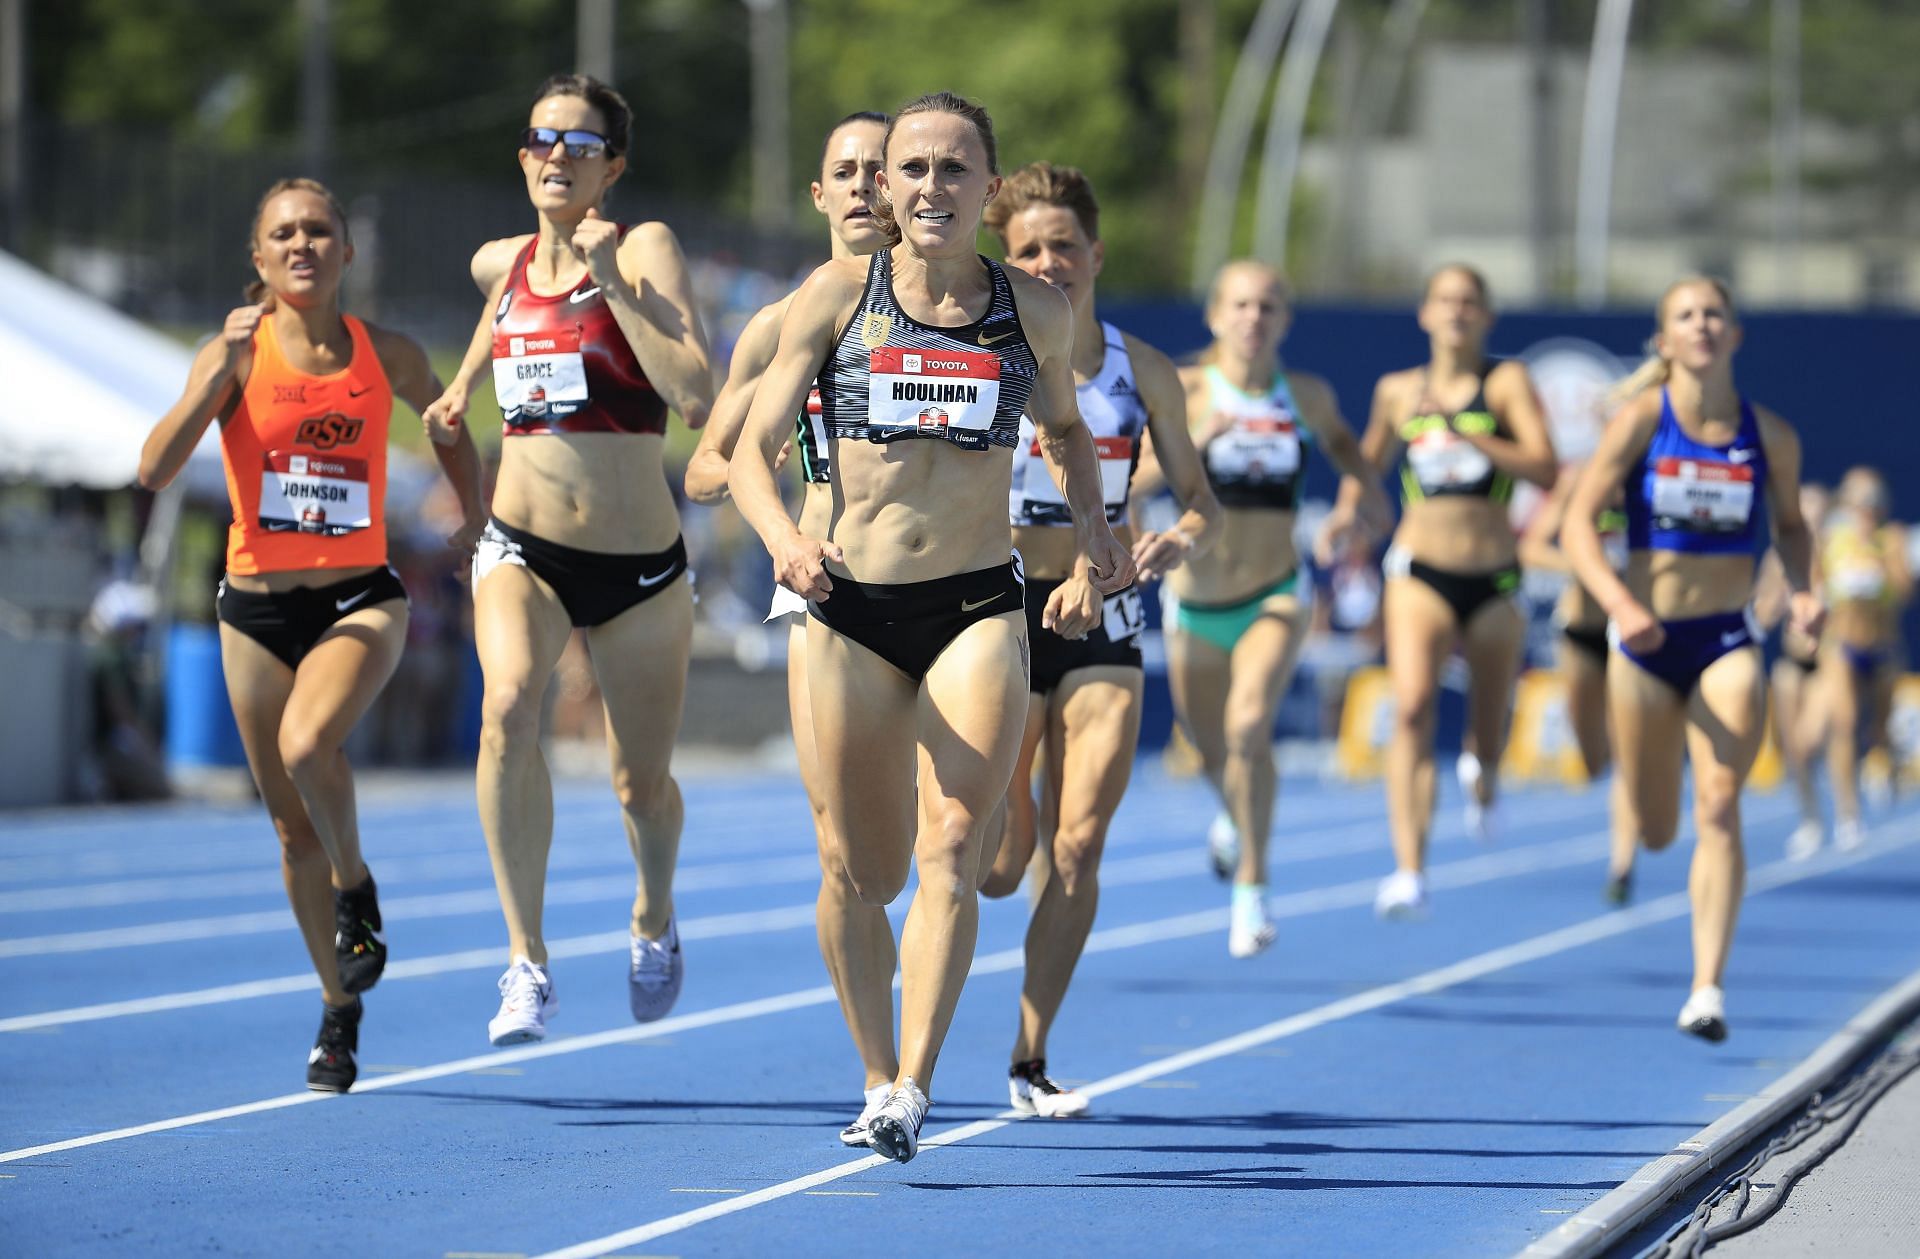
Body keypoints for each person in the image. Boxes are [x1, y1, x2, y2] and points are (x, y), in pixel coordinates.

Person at [729, 92, 1134, 1162]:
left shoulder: (1032, 312)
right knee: (863, 868)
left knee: (953, 841)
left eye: (954, 170)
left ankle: (912, 1087)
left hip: (974, 607)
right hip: (851, 610)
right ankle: (872, 1065)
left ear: (985, 190)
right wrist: (782, 538)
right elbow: (747, 450)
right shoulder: (833, 296)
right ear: (884, 185)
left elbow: (1067, 435)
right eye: (911, 169)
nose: (929, 189)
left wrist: (1095, 545)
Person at [139, 177, 486, 1091]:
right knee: (291, 834)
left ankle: (357, 885)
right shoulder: (236, 356)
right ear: (259, 258)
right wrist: (214, 377)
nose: (303, 244)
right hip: (254, 605)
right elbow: (154, 467)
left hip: (359, 598)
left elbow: (449, 422)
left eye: (319, 230)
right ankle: (339, 1009)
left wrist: (473, 513)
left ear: (346, 252)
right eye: (283, 233)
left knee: (307, 741)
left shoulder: (388, 353)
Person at [422, 75, 715, 1046]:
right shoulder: (498, 263)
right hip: (524, 544)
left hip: (637, 566)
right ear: (522, 155)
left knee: (639, 782)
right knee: (507, 704)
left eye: (580, 145)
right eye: (542, 139)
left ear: (613, 167)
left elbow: (698, 394)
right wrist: (460, 389)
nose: (557, 155)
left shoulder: (643, 247)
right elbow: (499, 316)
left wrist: (617, 284)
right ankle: (527, 959)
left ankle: (653, 909)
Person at [976, 161, 1220, 1114]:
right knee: (1002, 867)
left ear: (1095, 253)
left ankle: (1030, 1060)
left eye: (1063, 246)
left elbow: (1202, 502)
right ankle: (1010, 813)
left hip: (1109, 614)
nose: (1048, 262)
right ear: (1009, 259)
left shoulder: (1142, 368)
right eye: (1029, 249)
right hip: (999, 612)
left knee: (1079, 847)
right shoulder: (983, 353)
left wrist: (1172, 541)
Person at [683, 110, 903, 1146]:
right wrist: (779, 491)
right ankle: (878, 1072)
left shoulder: (955, 306)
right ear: (818, 196)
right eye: (843, 173)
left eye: (879, 170)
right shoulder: (777, 322)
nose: (863, 187)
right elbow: (710, 461)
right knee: (841, 850)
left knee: (956, 852)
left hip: (946, 589)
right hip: (820, 583)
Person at [1562, 275, 1822, 1042]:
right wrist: (1620, 604)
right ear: (1664, 341)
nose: (1702, 324)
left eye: (1714, 313)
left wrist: (1803, 591)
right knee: (1654, 828)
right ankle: (1649, 826)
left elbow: (1793, 526)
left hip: (1724, 638)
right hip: (1643, 646)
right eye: (1686, 315)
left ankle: (1706, 986)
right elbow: (1579, 524)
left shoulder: (1769, 435)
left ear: (1734, 335)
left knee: (1719, 801)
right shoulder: (1643, 419)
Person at [1142, 259, 1385, 955]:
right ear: (1216, 316)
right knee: (1216, 748)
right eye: (1241, 305)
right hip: (1195, 602)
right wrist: (1195, 443)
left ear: (1285, 320)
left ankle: (1252, 888)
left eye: (1269, 306)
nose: (1254, 318)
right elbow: (1131, 480)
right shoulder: (1186, 388)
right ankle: (1232, 814)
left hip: (1276, 593)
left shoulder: (1303, 393)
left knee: (1251, 726)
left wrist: (1359, 501)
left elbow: (1349, 449)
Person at [1339, 264, 1557, 918]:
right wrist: (1348, 511)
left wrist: (1467, 431)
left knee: (1488, 729)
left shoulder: (1506, 381)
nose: (1457, 311)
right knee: (1411, 708)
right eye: (1445, 300)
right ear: (1425, 314)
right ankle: (1410, 869)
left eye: (1470, 301)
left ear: (1486, 316)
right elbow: (1366, 461)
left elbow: (1545, 466)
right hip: (1420, 569)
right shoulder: (1398, 391)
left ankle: (1484, 773)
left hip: (1493, 575)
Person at [1518, 470, 1636, 903]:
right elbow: (1530, 547)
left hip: (1630, 631)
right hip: (1581, 630)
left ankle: (1622, 865)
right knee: (1591, 759)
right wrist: (1585, 563)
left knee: (1627, 754)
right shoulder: (1578, 483)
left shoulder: (1650, 481)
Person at [1803, 468, 1911, 850]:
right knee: (1844, 724)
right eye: (1858, 504)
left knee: (1877, 730)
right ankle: (1849, 814)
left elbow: (1903, 591)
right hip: (1841, 644)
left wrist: (1878, 559)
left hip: (1881, 646)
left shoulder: (1892, 539)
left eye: (1872, 505)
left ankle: (1885, 760)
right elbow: (1813, 584)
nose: (1865, 512)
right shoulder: (1831, 538)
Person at [1757, 483, 1829, 858]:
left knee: (1809, 740)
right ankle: (1810, 818)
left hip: (1828, 665)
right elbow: (1763, 612)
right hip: (1791, 665)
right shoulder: (1777, 558)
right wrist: (1777, 598)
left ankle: (1847, 811)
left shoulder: (1837, 554)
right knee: (1793, 751)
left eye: (1816, 511)